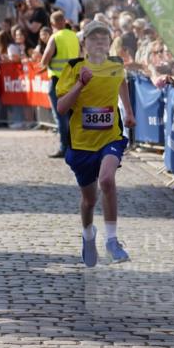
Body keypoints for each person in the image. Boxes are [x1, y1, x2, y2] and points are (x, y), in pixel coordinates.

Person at [57, 20, 136, 266]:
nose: (99, 41)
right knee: (89, 200)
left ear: (110, 43)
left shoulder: (116, 65)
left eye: (104, 37)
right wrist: (80, 85)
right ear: (84, 44)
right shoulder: (73, 68)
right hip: (81, 144)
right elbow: (61, 108)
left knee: (107, 180)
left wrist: (129, 112)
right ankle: (88, 234)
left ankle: (112, 240)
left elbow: (121, 82)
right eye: (94, 38)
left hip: (110, 137)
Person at [39, 9, 80, 158]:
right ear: (64, 21)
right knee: (72, 115)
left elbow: (45, 59)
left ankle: (64, 147)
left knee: (60, 116)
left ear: (52, 24)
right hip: (73, 81)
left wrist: (43, 64)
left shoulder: (55, 37)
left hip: (57, 81)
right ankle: (75, 146)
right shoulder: (74, 36)